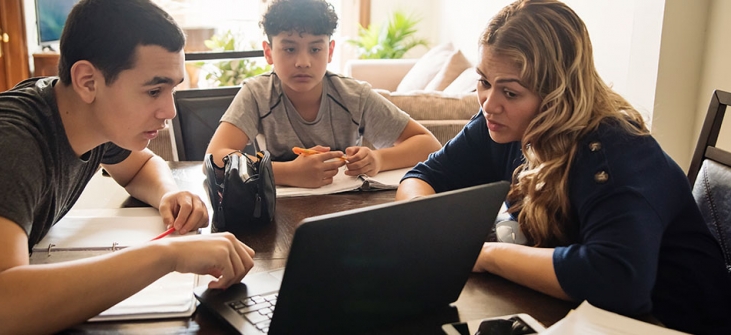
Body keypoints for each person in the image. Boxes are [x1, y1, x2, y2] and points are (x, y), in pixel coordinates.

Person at [395, 1, 731, 334]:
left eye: (510, 92)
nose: (488, 104)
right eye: (484, 82)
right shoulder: (500, 123)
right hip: (579, 315)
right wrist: (425, 227)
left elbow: (617, 281)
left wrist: (483, 255)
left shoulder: (616, 152)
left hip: (674, 323)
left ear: (558, 93)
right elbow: (424, 176)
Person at [0, 1, 254, 333]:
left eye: (172, 89)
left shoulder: (89, 116)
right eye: (154, 90)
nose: (170, 111)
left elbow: (140, 166)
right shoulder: (4, 144)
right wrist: (168, 255)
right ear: (87, 81)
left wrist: (169, 195)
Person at [205, 0, 441, 188]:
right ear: (268, 52)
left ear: (330, 51)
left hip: (344, 209)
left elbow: (428, 144)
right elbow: (215, 157)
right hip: (277, 211)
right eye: (289, 49)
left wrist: (378, 159)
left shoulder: (354, 96)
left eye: (315, 49)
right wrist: (289, 172)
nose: (303, 62)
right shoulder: (257, 94)